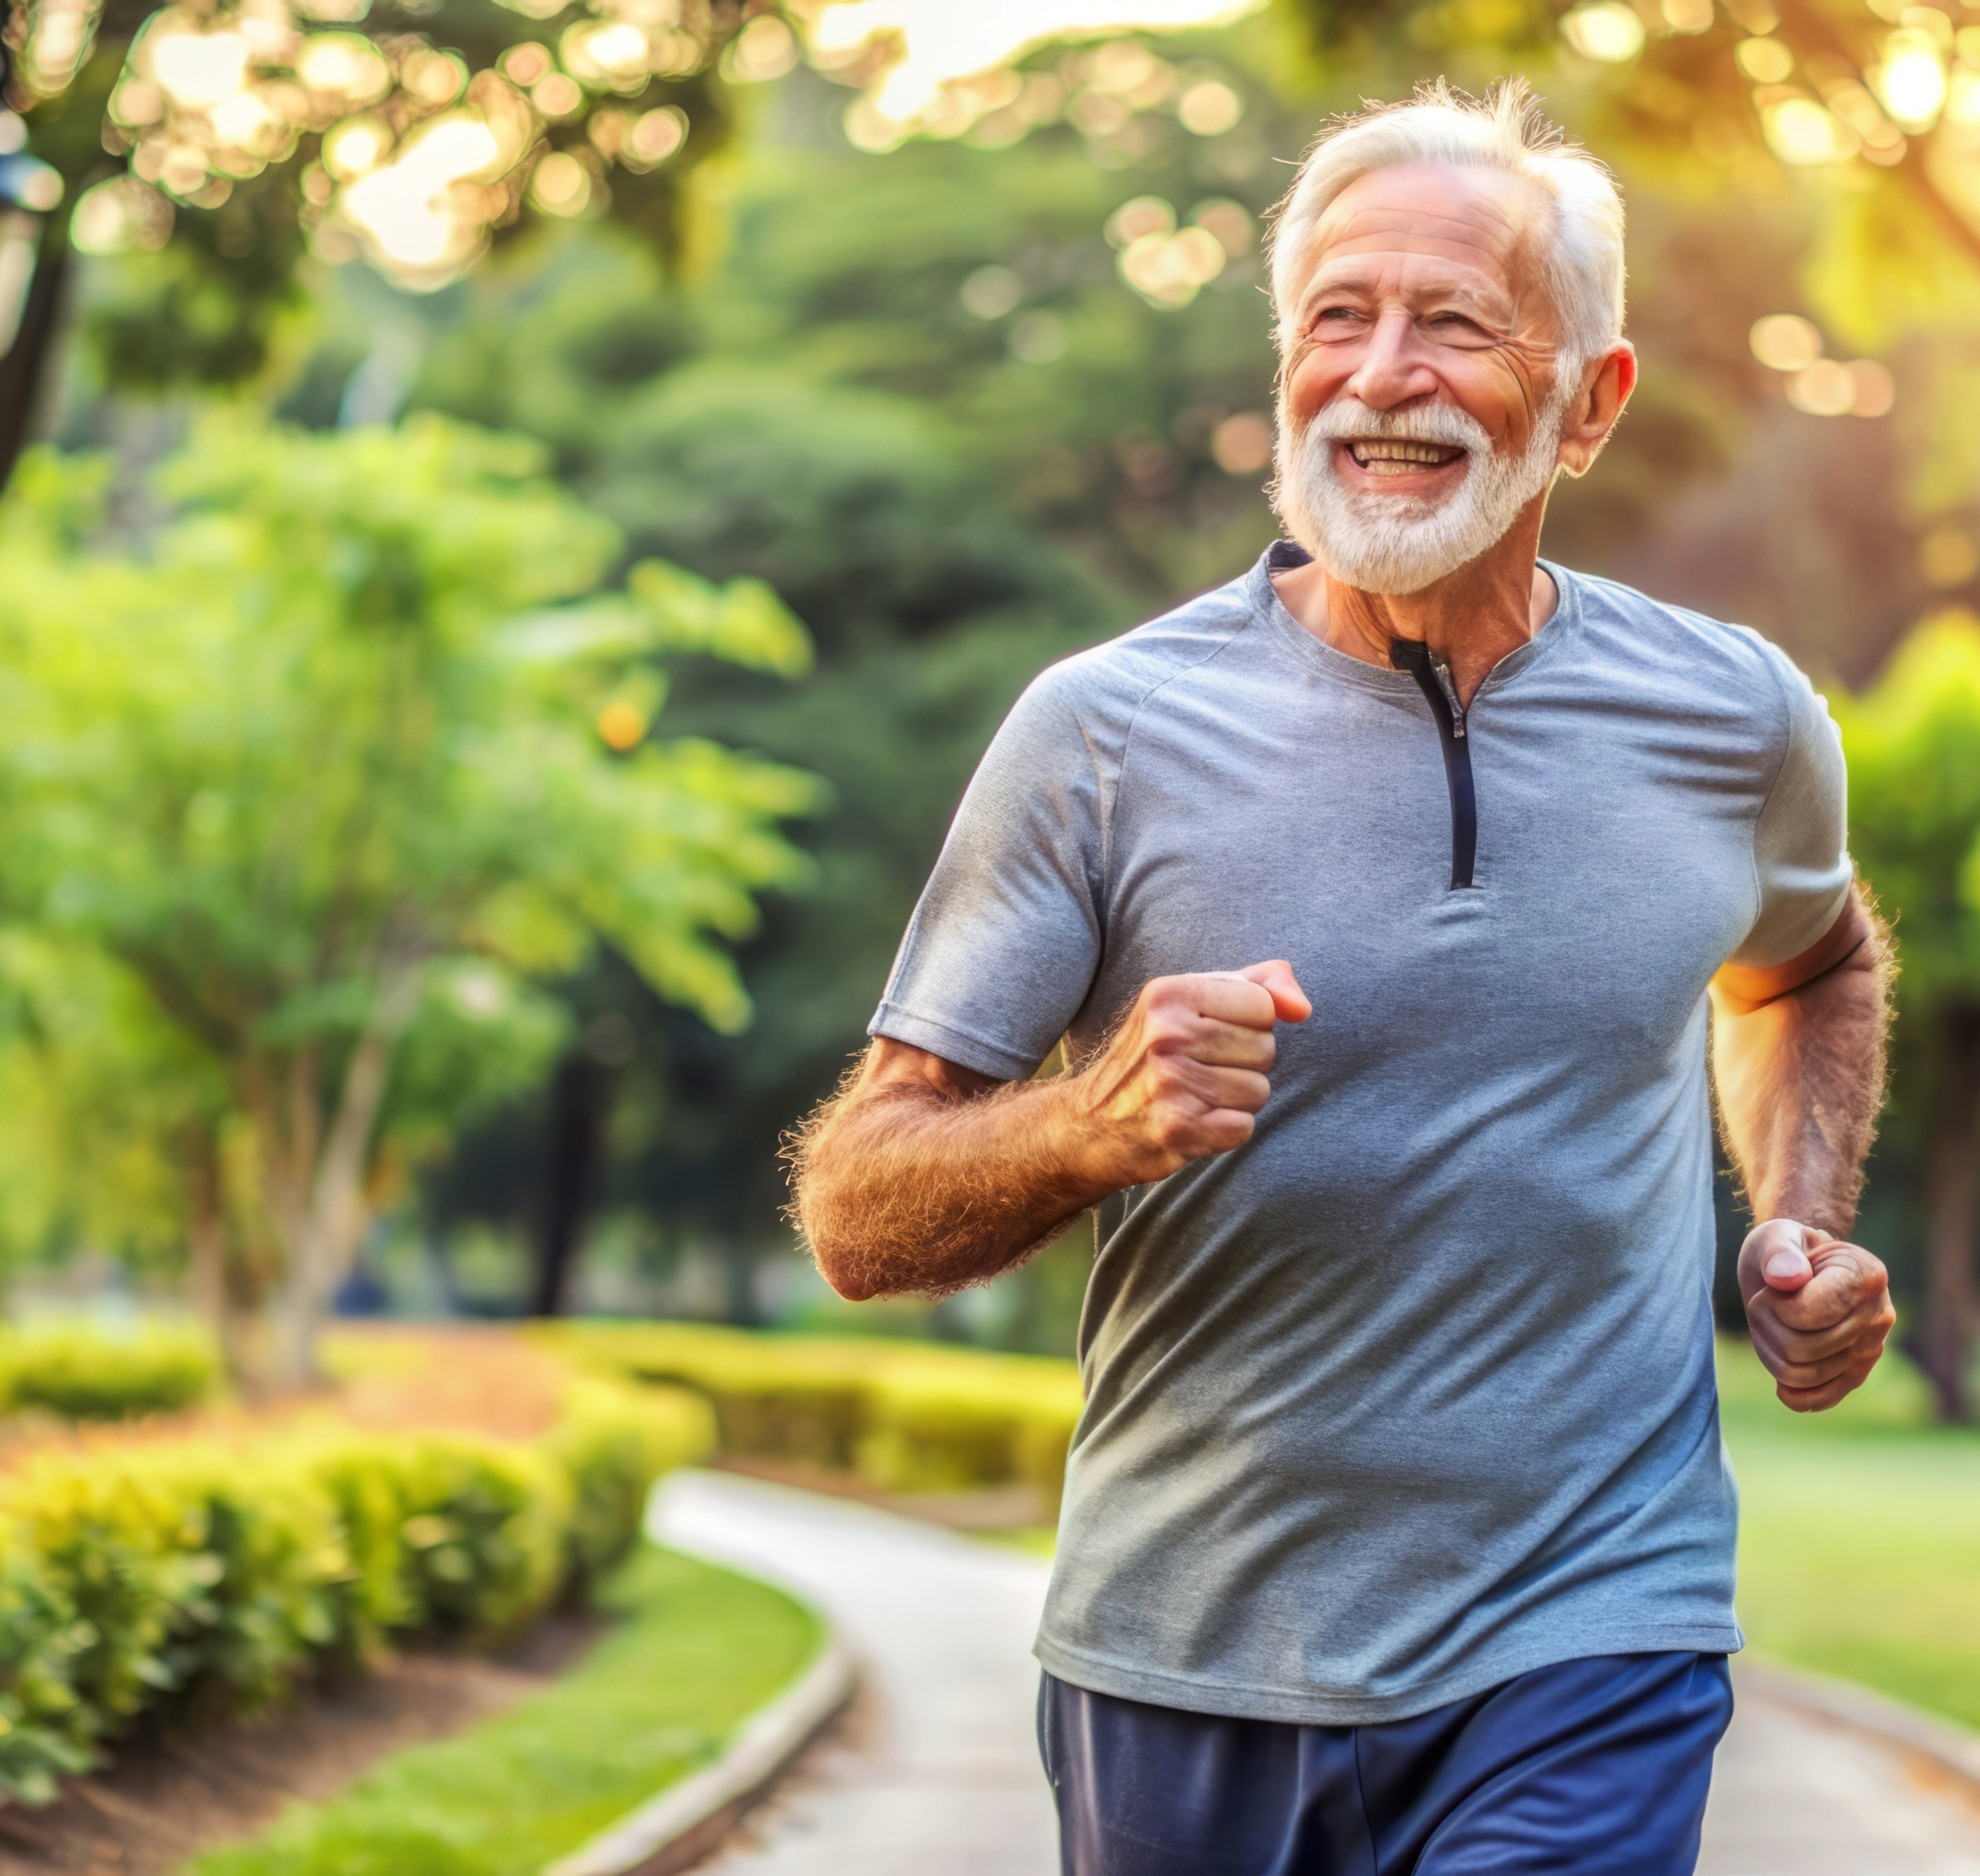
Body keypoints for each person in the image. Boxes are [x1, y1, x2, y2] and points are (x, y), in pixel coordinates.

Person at [783, 78, 1897, 1876]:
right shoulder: (1104, 731)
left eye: (1457, 322)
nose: (1385, 373)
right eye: (1338, 319)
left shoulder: (1733, 716)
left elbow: (1815, 966)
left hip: (1591, 1631)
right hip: (1187, 1656)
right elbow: (855, 1208)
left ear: (1588, 403)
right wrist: (1089, 1129)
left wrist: (1801, 1215)